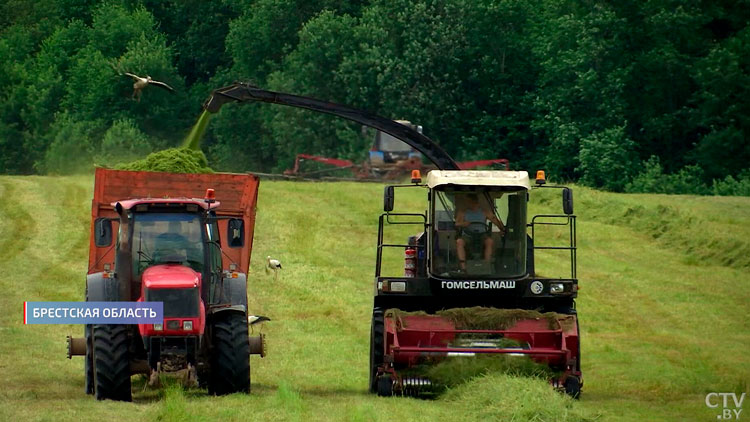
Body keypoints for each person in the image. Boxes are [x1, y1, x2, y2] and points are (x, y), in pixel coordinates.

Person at [454, 193, 505, 271]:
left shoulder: (484, 212)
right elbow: (456, 224)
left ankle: (487, 265)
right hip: (468, 235)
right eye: (467, 202)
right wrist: (464, 224)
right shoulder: (463, 212)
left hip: (482, 234)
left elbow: (494, 220)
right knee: (459, 242)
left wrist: (502, 229)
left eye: (470, 202)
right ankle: (463, 266)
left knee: (489, 241)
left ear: (475, 202)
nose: (468, 204)